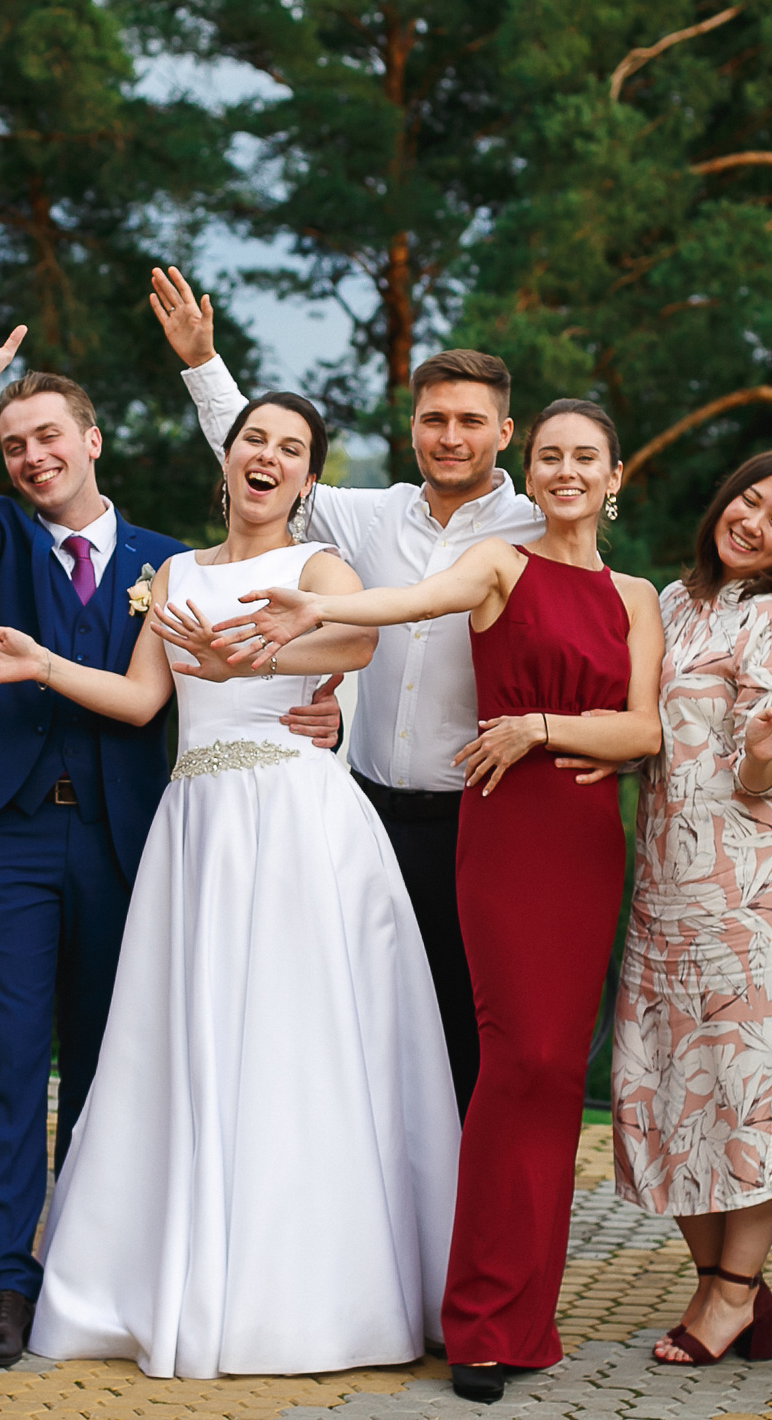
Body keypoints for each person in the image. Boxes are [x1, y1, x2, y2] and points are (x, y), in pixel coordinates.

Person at [0, 391, 461, 1378]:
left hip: (295, 819)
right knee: (191, 1038)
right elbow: (142, 699)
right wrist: (42, 663)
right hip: (198, 825)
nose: (269, 456)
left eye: (291, 448)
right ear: (227, 458)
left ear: (306, 478)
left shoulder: (319, 566)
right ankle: (166, 1270)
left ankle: (317, 1286)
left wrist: (251, 656)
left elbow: (356, 644)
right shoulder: (172, 572)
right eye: (254, 438)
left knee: (300, 1041)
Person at [0, 277, 334, 1369]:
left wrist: (325, 712)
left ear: (91, 441)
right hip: (6, 839)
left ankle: (91, 1272)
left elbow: (267, 653)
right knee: (7, 1063)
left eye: (48, 436)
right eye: (14, 445)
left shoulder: (168, 560)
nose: (31, 457)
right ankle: (6, 1284)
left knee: (113, 1065)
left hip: (132, 842)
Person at [220, 398, 660, 1402]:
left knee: (558, 1075)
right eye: (549, 455)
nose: (565, 470)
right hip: (503, 829)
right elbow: (416, 600)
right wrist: (323, 610)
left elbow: (641, 733)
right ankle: (476, 1320)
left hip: (587, 841)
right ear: (530, 472)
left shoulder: (636, 596)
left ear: (614, 477)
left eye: (584, 457)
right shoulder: (499, 562)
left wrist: (540, 727)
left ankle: (527, 1319)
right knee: (515, 1061)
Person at [154, 267, 541, 1116]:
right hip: (365, 811)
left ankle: (465, 1197)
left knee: (472, 1030)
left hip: (480, 815)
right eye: (434, 419)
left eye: (470, 421)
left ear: (505, 432)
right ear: (413, 427)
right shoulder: (370, 515)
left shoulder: (535, 530)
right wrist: (202, 363)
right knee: (372, 1028)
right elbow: (264, 462)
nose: (450, 436)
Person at [612, 449, 772, 1368]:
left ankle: (734, 1293)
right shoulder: (669, 602)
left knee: (749, 1089)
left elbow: (769, 772)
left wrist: (760, 752)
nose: (753, 522)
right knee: (670, 1081)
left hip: (755, 895)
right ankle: (723, 1282)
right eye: (749, 500)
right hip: (665, 882)